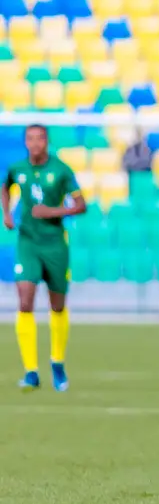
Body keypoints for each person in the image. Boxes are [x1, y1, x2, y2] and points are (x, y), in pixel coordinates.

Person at [0, 124, 86, 391]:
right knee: (25, 300)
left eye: (39, 139)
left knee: (57, 305)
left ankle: (57, 364)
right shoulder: (18, 169)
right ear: (26, 142)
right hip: (28, 243)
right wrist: (6, 214)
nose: (34, 144)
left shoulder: (61, 170)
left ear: (46, 142)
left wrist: (52, 211)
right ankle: (31, 372)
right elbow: (5, 188)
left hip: (55, 245)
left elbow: (81, 205)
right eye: (30, 139)